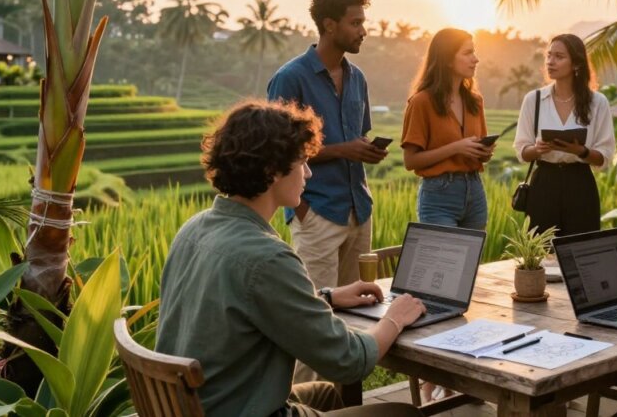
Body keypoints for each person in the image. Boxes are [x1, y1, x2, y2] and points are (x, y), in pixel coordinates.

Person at [156, 100, 425, 417]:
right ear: (272, 171)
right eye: (302, 162)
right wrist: (395, 318)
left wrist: (327, 297)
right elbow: (348, 361)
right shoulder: (267, 257)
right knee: (402, 414)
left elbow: (249, 303)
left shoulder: (194, 229)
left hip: (200, 404)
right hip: (242, 409)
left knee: (324, 394)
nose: (309, 173)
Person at [267, 0, 387, 296]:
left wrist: (365, 150)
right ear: (329, 25)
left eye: (364, 23)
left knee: (358, 308)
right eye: (356, 23)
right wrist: (304, 210)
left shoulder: (357, 77)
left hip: (358, 211)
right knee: (318, 309)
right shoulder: (290, 78)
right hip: (317, 211)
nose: (363, 31)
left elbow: (357, 135)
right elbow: (278, 150)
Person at [513, 34, 615, 236]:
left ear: (576, 63)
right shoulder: (534, 99)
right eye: (549, 55)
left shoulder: (598, 102)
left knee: (581, 252)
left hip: (580, 183)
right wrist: (537, 149)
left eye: (559, 56)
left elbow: (605, 157)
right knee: (540, 254)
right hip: (544, 183)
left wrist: (581, 151)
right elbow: (522, 151)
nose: (550, 62)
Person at [401, 28, 495, 231]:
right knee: (445, 262)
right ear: (447, 59)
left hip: (475, 191)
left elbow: (480, 154)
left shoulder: (475, 101)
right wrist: (456, 148)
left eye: (474, 52)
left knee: (470, 261)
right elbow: (410, 161)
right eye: (468, 53)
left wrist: (484, 152)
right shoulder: (421, 102)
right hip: (439, 195)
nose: (476, 59)